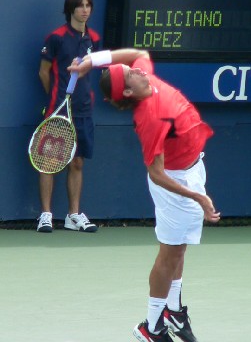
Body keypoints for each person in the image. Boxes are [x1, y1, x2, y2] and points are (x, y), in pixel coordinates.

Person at [68, 48, 221, 342]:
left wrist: (91, 61)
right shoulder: (150, 117)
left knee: (180, 248)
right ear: (127, 90)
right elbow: (156, 173)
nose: (134, 68)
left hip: (193, 167)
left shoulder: (142, 76)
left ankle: (173, 311)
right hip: (175, 184)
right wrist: (198, 197)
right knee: (169, 253)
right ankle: (151, 328)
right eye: (128, 73)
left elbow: (137, 52)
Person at [37, 0, 100, 233]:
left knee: (77, 162)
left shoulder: (94, 38)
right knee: (49, 161)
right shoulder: (56, 38)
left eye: (88, 5)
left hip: (83, 110)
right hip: (58, 110)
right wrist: (56, 96)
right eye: (80, 6)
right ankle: (45, 215)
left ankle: (73, 216)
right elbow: (44, 72)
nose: (85, 10)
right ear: (71, 9)